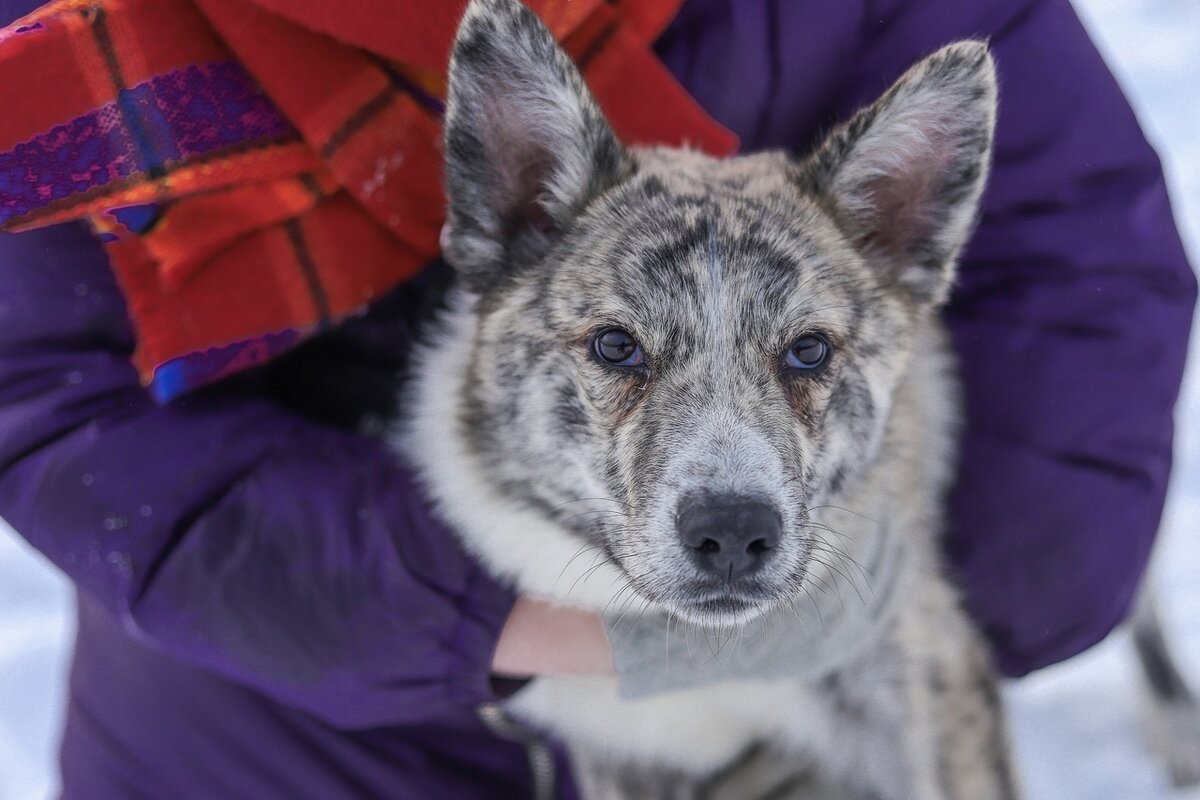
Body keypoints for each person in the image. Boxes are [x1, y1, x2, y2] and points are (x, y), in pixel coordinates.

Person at [0, 0, 1194, 798]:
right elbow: (47, 403)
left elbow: (1086, 264)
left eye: (803, 355)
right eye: (621, 348)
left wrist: (974, 585)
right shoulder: (62, 53)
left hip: (834, 635)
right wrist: (499, 622)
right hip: (273, 680)